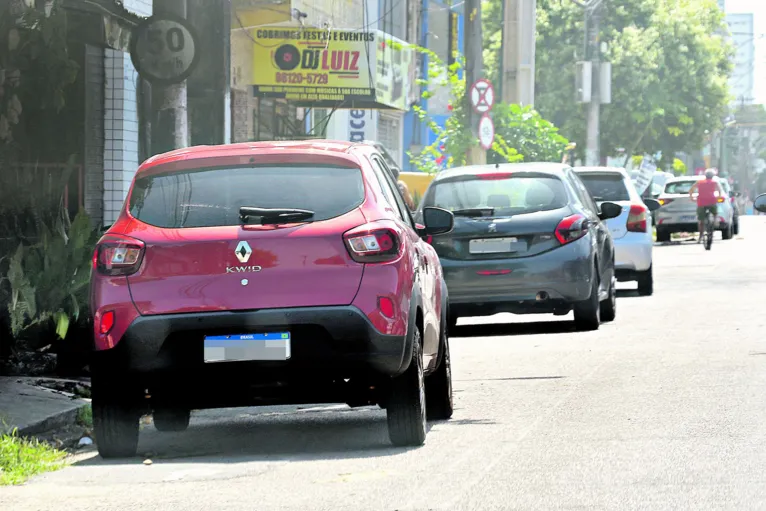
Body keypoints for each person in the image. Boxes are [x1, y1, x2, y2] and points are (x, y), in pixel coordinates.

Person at [688, 169, 723, 242]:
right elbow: (719, 191)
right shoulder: (714, 182)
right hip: (712, 201)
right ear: (712, 176)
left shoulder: (699, 182)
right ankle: (715, 219)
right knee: (715, 212)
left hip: (701, 202)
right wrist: (718, 198)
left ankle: (700, 237)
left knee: (701, 221)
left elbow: (691, 190)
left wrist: (692, 198)